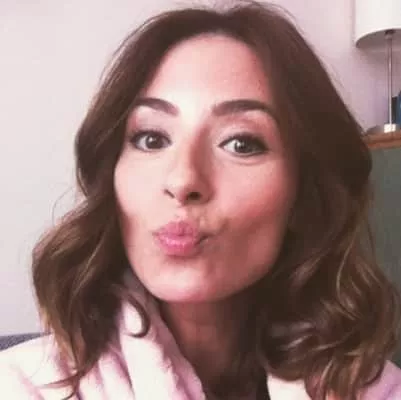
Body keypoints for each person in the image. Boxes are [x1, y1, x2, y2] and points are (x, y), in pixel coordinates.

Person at [1, 1, 400, 399]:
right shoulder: (25, 385)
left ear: (305, 193)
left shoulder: (375, 389)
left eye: (241, 143)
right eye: (151, 139)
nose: (183, 180)